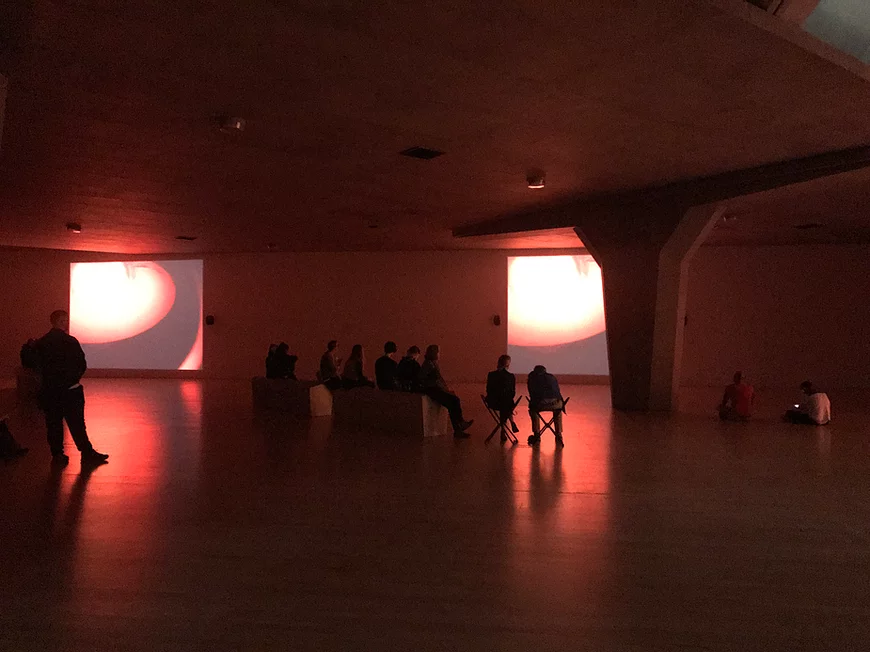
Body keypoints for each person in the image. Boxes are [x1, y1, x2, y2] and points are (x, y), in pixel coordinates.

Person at [35, 310, 108, 465]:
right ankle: (86, 452)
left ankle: (57, 455)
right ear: (61, 322)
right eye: (64, 321)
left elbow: (36, 365)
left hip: (51, 391)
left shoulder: (42, 343)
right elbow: (81, 363)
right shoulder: (70, 342)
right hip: (70, 390)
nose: (66, 324)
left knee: (54, 424)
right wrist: (73, 379)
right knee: (77, 424)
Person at [419, 344, 473, 437]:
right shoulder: (429, 364)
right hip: (432, 390)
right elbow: (425, 379)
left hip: (434, 389)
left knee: (453, 402)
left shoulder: (430, 363)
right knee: (454, 401)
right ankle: (459, 426)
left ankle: (459, 427)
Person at [527, 364, 564, 447]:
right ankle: (558, 434)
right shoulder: (552, 377)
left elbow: (532, 394)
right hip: (556, 404)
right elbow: (557, 391)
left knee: (533, 411)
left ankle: (537, 434)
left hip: (540, 404)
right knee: (558, 412)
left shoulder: (532, 378)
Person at [486, 354, 520, 439]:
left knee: (504, 404)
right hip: (506, 403)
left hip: (493, 402)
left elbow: (488, 390)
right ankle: (511, 422)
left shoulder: (491, 375)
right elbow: (512, 392)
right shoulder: (511, 376)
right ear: (508, 365)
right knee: (507, 403)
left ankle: (503, 430)